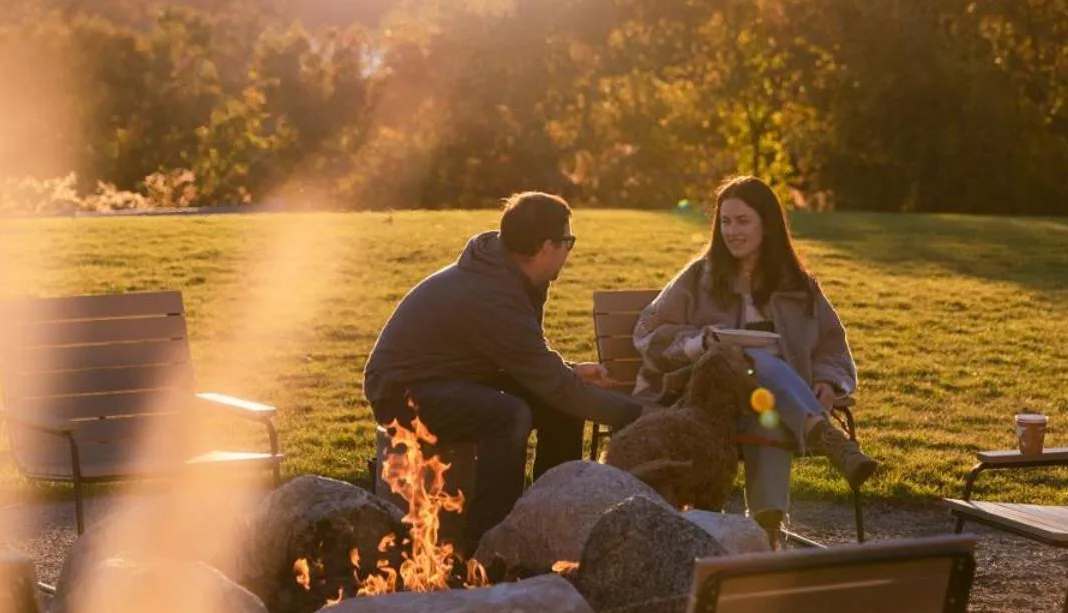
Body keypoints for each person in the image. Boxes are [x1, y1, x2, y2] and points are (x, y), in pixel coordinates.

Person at [362, 192, 642, 554]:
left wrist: (571, 371)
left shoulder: (513, 273)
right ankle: (490, 540)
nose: (570, 251)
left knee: (558, 407)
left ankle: (552, 515)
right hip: (402, 391)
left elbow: (526, 359)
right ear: (546, 246)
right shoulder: (493, 292)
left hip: (457, 377)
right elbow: (555, 385)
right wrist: (639, 415)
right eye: (568, 241)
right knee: (509, 415)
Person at [632, 175, 878, 545]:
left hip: (768, 404)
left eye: (742, 221)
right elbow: (648, 331)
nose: (732, 231)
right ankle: (820, 432)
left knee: (769, 418)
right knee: (746, 358)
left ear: (768, 224)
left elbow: (832, 348)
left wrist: (827, 382)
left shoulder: (798, 284)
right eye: (726, 222)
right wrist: (701, 342)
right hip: (705, 400)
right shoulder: (699, 275)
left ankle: (768, 534)